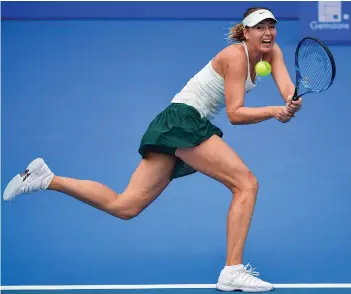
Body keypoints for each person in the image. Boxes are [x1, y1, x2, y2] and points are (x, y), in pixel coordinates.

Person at [3, 7, 302, 293]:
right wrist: (275, 111)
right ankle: (232, 271)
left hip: (175, 123)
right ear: (245, 32)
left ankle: (44, 178)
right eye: (260, 27)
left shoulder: (272, 52)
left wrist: (291, 99)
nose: (267, 32)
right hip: (183, 120)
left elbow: (287, 86)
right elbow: (235, 114)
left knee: (125, 206)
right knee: (246, 184)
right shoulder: (234, 57)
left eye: (271, 26)